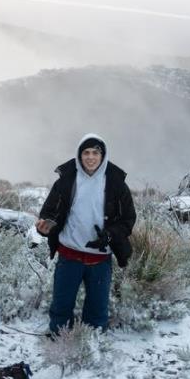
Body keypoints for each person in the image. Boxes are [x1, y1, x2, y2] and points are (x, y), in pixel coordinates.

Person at [36, 134, 136, 334]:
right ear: (79, 156)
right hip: (69, 254)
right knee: (61, 307)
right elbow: (48, 212)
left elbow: (128, 220)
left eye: (95, 153)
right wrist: (45, 226)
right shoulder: (66, 181)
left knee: (97, 311)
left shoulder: (116, 183)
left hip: (100, 258)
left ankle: (92, 342)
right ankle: (59, 339)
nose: (91, 157)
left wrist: (109, 235)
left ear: (103, 155)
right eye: (86, 153)